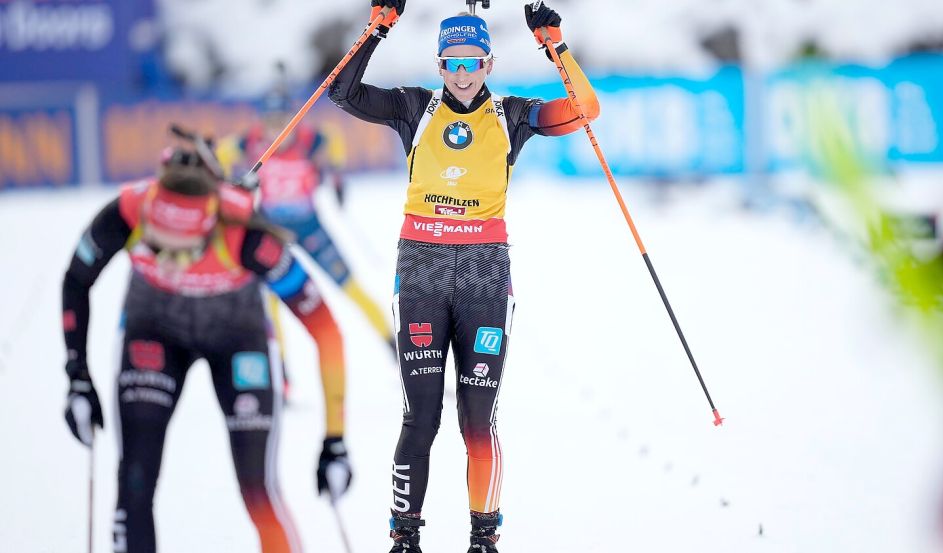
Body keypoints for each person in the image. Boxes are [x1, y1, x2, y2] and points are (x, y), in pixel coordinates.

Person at [328, 2, 600, 551]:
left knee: (478, 420)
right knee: (421, 418)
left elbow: (585, 110)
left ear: (489, 63)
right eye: (452, 62)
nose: (462, 72)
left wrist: (554, 44)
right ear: (440, 64)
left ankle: (484, 538)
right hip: (422, 271)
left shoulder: (511, 116)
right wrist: (378, 27)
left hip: (484, 278)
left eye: (472, 61)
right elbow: (344, 92)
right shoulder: (414, 108)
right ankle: (404, 537)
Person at [61, 141, 353, 553]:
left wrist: (335, 439)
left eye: (184, 250)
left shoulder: (246, 233)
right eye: (156, 246)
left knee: (259, 486)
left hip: (238, 337)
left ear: (210, 227)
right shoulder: (128, 210)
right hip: (153, 332)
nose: (170, 262)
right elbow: (76, 280)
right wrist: (77, 374)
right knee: (134, 482)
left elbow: (326, 331)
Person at [217, 88, 396, 356]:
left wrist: (336, 173)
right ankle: (282, 369)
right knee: (272, 301)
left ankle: (392, 346)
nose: (277, 128)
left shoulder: (308, 140)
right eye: (270, 121)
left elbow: (333, 139)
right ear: (260, 121)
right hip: (272, 230)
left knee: (350, 286)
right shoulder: (251, 143)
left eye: (283, 120)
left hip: (310, 226)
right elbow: (221, 153)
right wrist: (234, 185)